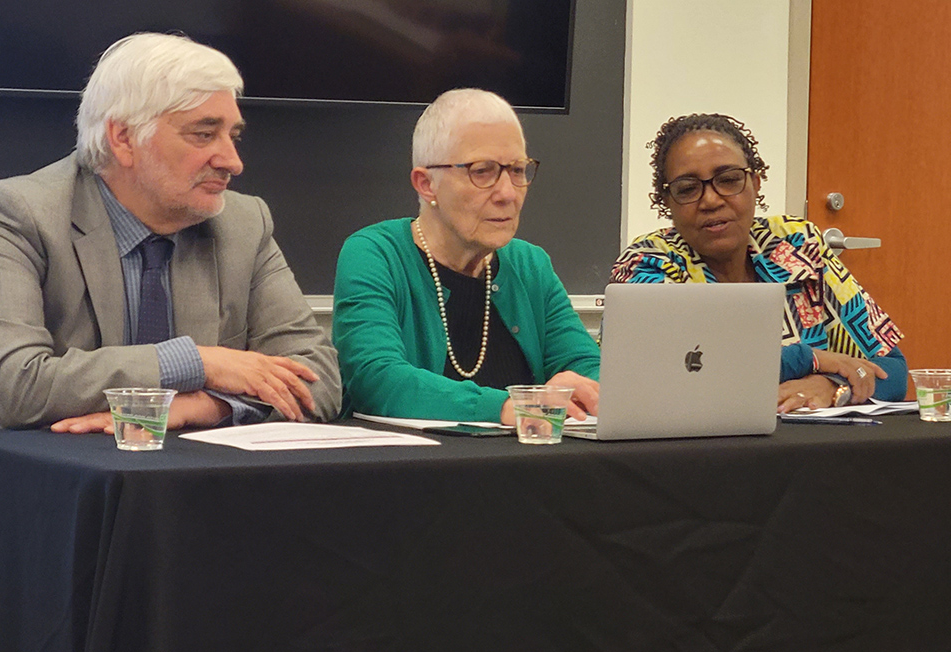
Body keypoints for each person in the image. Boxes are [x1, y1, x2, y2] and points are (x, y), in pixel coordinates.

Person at [0, 32, 341, 431]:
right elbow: (18, 386)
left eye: (233, 136)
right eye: (204, 134)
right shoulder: (14, 214)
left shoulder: (243, 223)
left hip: (183, 481)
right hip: (26, 478)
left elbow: (318, 379)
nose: (232, 161)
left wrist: (204, 406)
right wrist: (198, 363)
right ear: (123, 139)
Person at [332, 88, 600, 424]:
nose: (507, 194)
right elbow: (377, 381)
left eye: (518, 170)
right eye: (482, 171)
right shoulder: (375, 255)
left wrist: (580, 387)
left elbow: (591, 367)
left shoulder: (531, 265)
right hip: (411, 470)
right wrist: (510, 406)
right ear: (426, 184)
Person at [610, 113, 907, 412]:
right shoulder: (648, 264)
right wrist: (810, 360)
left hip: (809, 448)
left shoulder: (798, 246)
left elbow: (892, 370)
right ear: (667, 202)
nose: (711, 200)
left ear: (755, 183)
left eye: (728, 180)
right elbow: (680, 373)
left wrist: (830, 384)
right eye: (687, 188)